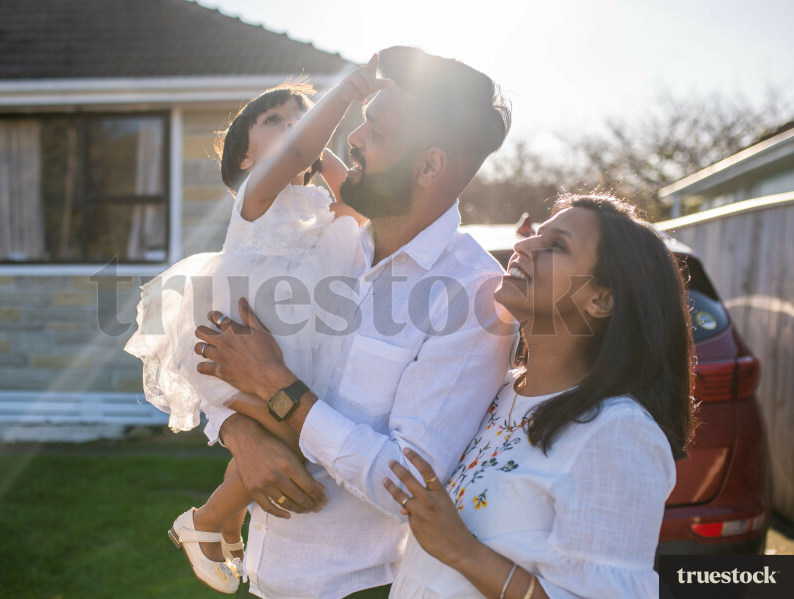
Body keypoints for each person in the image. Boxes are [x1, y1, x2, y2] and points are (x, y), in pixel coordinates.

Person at [191, 46, 516, 599]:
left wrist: (276, 389)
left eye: (378, 132)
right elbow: (225, 364)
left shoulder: (473, 295)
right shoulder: (327, 246)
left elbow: (410, 487)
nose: (353, 141)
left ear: (430, 166)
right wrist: (240, 432)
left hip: (365, 586)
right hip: (269, 575)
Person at [123, 65, 381, 593]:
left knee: (288, 431)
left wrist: (316, 147)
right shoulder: (255, 199)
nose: (291, 126)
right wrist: (347, 94)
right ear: (245, 156)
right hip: (241, 342)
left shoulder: (324, 211)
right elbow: (291, 155)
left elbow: (357, 199)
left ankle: (228, 522)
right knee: (298, 436)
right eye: (273, 119)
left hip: (301, 357)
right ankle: (204, 520)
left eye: (300, 117)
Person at [382, 195, 697, 598]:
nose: (523, 246)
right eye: (536, 235)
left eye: (556, 246)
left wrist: (463, 551)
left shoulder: (617, 432)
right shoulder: (494, 388)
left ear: (601, 299)